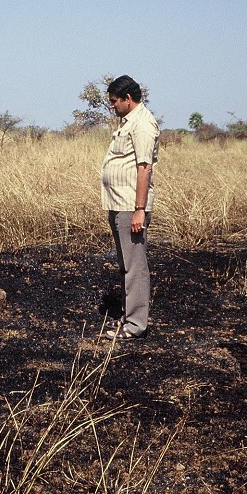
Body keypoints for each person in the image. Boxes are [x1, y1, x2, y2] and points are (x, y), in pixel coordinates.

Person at [101, 75, 160, 339]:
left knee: (135, 265)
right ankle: (128, 317)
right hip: (118, 202)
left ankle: (136, 325)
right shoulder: (128, 122)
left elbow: (144, 167)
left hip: (129, 205)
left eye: (114, 102)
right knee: (126, 263)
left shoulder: (143, 125)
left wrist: (139, 209)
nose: (112, 107)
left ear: (127, 98)